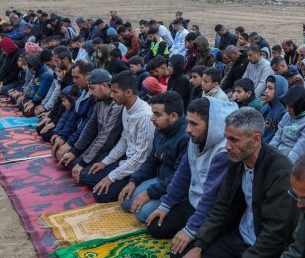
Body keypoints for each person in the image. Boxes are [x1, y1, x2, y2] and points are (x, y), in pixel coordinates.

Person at [172, 107, 299, 258]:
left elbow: (274, 234)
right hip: (239, 238)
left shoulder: (280, 170)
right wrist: (200, 244)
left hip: (264, 249)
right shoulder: (237, 159)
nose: (227, 146)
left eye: (234, 140)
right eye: (226, 138)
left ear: (256, 140)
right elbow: (221, 206)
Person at [146, 97, 234, 241]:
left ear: (212, 125)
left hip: (211, 212)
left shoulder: (224, 152)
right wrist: (165, 205)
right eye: (188, 122)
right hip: (193, 203)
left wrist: (191, 230)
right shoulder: (195, 140)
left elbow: (211, 196)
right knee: (155, 227)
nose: (188, 129)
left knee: (180, 257)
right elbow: (182, 175)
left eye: (194, 124)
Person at [117, 92, 189, 224]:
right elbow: (152, 160)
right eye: (152, 113)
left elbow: (179, 177)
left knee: (141, 213)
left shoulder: (185, 138)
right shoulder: (161, 129)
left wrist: (149, 193)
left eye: (157, 114)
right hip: (160, 179)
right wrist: (134, 181)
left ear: (173, 116)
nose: (152, 118)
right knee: (126, 202)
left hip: (175, 186)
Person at [89, 71, 155, 203]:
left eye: (115, 92)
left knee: (100, 194)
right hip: (127, 161)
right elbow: (124, 141)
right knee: (89, 178)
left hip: (139, 168)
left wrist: (112, 177)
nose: (112, 95)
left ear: (128, 92)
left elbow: (141, 158)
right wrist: (105, 162)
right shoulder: (126, 108)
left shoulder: (145, 116)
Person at [269, 86, 305, 163]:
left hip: (291, 162)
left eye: (291, 106)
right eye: (287, 105)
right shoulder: (287, 115)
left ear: (299, 106)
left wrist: (284, 165)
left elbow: (299, 150)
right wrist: (269, 154)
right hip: (277, 154)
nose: (288, 109)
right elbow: (277, 137)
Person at [260, 75, 288, 144]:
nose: (266, 91)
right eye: (266, 87)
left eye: (270, 88)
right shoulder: (265, 107)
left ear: (279, 90)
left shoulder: (285, 112)